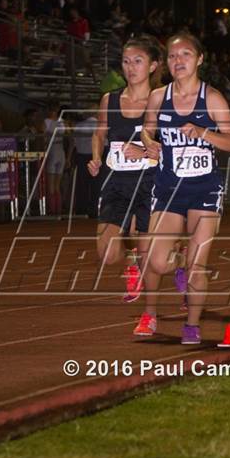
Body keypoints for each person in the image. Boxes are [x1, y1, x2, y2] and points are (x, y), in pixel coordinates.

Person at [134, 32, 230, 345]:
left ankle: (192, 325)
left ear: (199, 60)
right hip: (168, 188)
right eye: (172, 56)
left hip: (204, 190)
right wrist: (150, 144)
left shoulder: (213, 98)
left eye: (185, 55)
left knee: (198, 264)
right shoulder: (158, 97)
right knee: (155, 261)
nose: (178, 61)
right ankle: (164, 289)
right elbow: (146, 132)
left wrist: (203, 133)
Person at [88, 35, 163, 302]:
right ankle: (132, 262)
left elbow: (178, 147)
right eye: (126, 61)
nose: (130, 67)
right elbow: (99, 134)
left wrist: (145, 151)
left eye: (138, 61)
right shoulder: (110, 99)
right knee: (107, 254)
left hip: (151, 181)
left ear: (153, 66)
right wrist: (97, 156)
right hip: (116, 181)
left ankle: (181, 262)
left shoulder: (164, 101)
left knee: (157, 260)